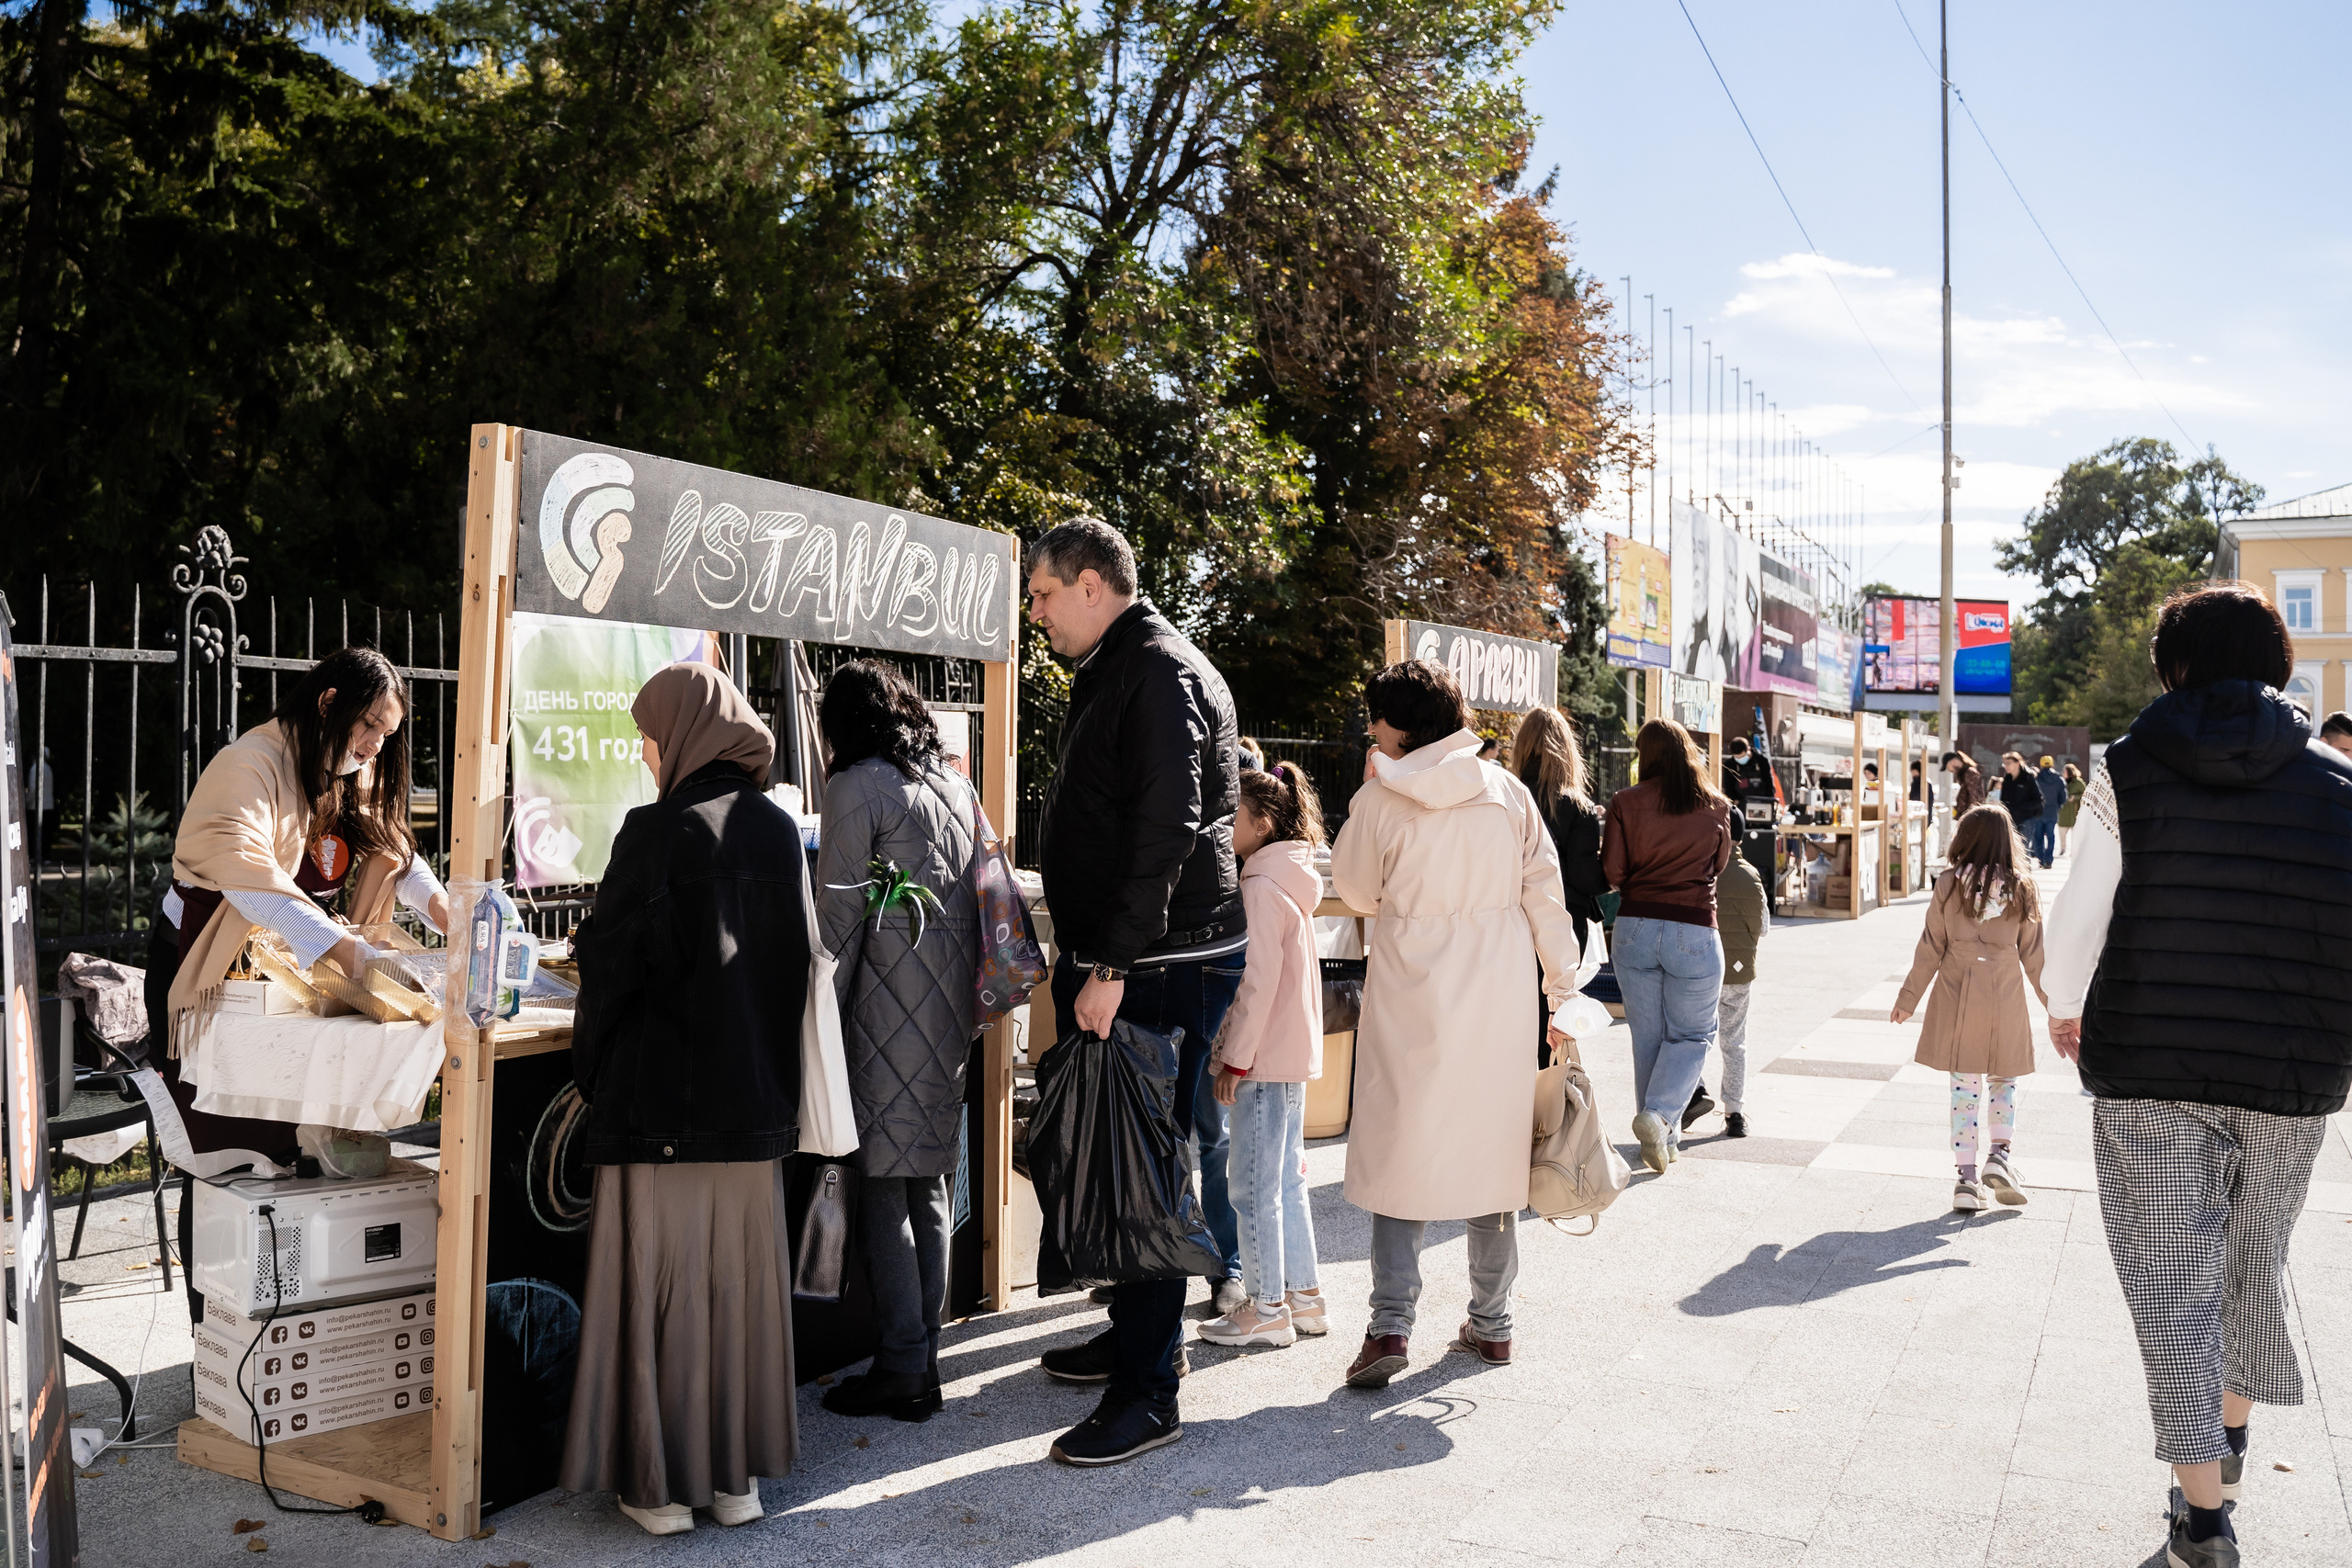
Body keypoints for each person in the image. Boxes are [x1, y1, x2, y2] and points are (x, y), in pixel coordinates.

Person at [2041, 583, 2352, 1568]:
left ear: (2172, 666)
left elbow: (2081, 911)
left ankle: (2203, 1519)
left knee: (2172, 1291)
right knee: (2250, 1264)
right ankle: (2230, 1442)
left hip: (2146, 1066)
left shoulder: (2125, 772)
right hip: (2289, 1071)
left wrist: (2061, 1000)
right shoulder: (2339, 787)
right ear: (2278, 665)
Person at [562, 661, 808, 1535]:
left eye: (649, 731)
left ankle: (660, 1487)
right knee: (736, 1293)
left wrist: (591, 1071)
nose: (643, 747)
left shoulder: (655, 830)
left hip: (662, 1104)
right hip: (754, 1110)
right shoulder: (780, 832)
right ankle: (734, 1481)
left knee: (658, 1289)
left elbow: (616, 965)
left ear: (683, 733)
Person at [1024, 518, 1247, 1467]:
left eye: (1040, 595)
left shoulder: (1155, 668)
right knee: (1121, 1157)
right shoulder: (1132, 660)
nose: (1033, 615)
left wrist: (1110, 965)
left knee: (1143, 1170)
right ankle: (1136, 1340)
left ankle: (1149, 1391)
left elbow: (1167, 828)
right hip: (1149, 955)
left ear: (1088, 584)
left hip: (1156, 964)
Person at [1329, 660, 1581, 1389]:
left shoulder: (1381, 799)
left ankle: (1389, 1325)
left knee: (1397, 1152)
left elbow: (1354, 888)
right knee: (1492, 1157)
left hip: (1413, 988)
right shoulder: (1504, 792)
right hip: (1498, 991)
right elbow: (1547, 895)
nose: (1370, 729)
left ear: (1400, 727)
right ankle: (1493, 1324)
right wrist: (1560, 992)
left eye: (1376, 717)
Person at [143, 647, 450, 1173]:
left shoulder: (355, 770)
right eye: (370, 725)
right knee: (228, 1164)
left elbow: (392, 851)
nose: (375, 745)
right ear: (329, 703)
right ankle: (216, 1256)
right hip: (214, 979)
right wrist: (342, 951)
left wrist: (449, 914)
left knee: (297, 1153)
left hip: (292, 981)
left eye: (387, 735)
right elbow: (248, 878)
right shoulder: (247, 763)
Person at [811, 660, 983, 1424]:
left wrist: (808, 1016)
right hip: (948, 1013)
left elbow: (834, 925)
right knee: (932, 1184)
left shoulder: (856, 787)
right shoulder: (949, 782)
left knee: (884, 1189)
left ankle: (903, 1367)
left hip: (881, 1014)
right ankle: (926, 1359)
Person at [1202, 764, 1328, 1350]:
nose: (1225, 827)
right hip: (1289, 1054)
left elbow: (1255, 985)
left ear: (1263, 824)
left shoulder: (1257, 887)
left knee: (1253, 1187)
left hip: (1262, 1057)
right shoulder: (1290, 881)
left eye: (1234, 818)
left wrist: (1234, 1059)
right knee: (1285, 1181)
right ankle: (1302, 1298)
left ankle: (1266, 1306)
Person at [1891, 804, 2047, 1212]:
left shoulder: (1948, 884)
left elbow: (1931, 947)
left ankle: (1965, 1178)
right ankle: (2000, 1154)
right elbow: (2035, 956)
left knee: (1964, 1088)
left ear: (1965, 838)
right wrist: (2058, 1007)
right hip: (2006, 991)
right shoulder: (2023, 887)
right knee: (2003, 1080)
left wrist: (1908, 999)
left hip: (1957, 988)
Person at [1603, 718, 1735, 1173]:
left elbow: (1614, 873)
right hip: (1694, 927)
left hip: (1635, 925)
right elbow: (1719, 865)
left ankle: (1663, 1136)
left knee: (1649, 1038)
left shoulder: (1624, 802)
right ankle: (1660, 1119)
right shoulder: (1716, 805)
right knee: (1694, 1035)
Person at [1512, 705, 1608, 1022]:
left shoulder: (1505, 796)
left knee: (1516, 1016)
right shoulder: (1576, 806)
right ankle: (1548, 1073)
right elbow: (1585, 878)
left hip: (1511, 918)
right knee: (1555, 1018)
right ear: (1567, 749)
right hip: (1564, 922)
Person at [1705, 850, 1766, 1139]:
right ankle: (1734, 1113)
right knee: (1734, 1042)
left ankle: (1690, 1096)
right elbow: (1763, 927)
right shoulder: (1752, 876)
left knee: (1692, 1037)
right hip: (1739, 972)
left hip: (1701, 968)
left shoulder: (1703, 870)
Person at [1723, 733, 1779, 908]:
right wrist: (1735, 801)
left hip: (1763, 811)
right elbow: (1728, 788)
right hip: (1741, 811)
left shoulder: (1761, 761)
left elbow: (1769, 785)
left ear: (1748, 750)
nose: (1740, 760)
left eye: (1742, 756)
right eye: (1737, 757)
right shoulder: (1730, 765)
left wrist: (1768, 803)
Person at [1996, 751, 2041, 852]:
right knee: (2010, 849)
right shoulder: (2007, 779)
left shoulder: (2027, 778)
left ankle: (2025, 868)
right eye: (2004, 763)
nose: (2006, 766)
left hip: (2026, 819)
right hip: (2010, 819)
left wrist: (2023, 807)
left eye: (2008, 763)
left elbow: (2037, 799)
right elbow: (2003, 799)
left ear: (2017, 763)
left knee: (2023, 849)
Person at [2030, 754, 2065, 868]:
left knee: (2038, 836)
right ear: (2052, 764)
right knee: (2051, 836)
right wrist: (2058, 806)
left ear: (2040, 764)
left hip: (2038, 811)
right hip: (2052, 811)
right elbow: (2063, 796)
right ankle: (2049, 860)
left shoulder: (2036, 778)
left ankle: (2041, 859)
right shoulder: (2059, 779)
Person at [1944, 750, 1988, 820]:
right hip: (1968, 815)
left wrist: (1971, 817)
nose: (1949, 770)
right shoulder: (1965, 773)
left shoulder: (1970, 773)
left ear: (1953, 761)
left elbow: (1974, 797)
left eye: (1947, 766)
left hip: (1971, 816)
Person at [2055, 761, 2086, 857]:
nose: (2063, 772)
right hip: (2063, 811)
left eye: (2064, 771)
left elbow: (2085, 795)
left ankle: (2074, 850)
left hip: (2074, 812)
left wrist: (2075, 797)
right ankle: (2062, 849)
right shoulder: (2060, 782)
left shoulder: (2078, 782)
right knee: (2062, 832)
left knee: (2075, 834)